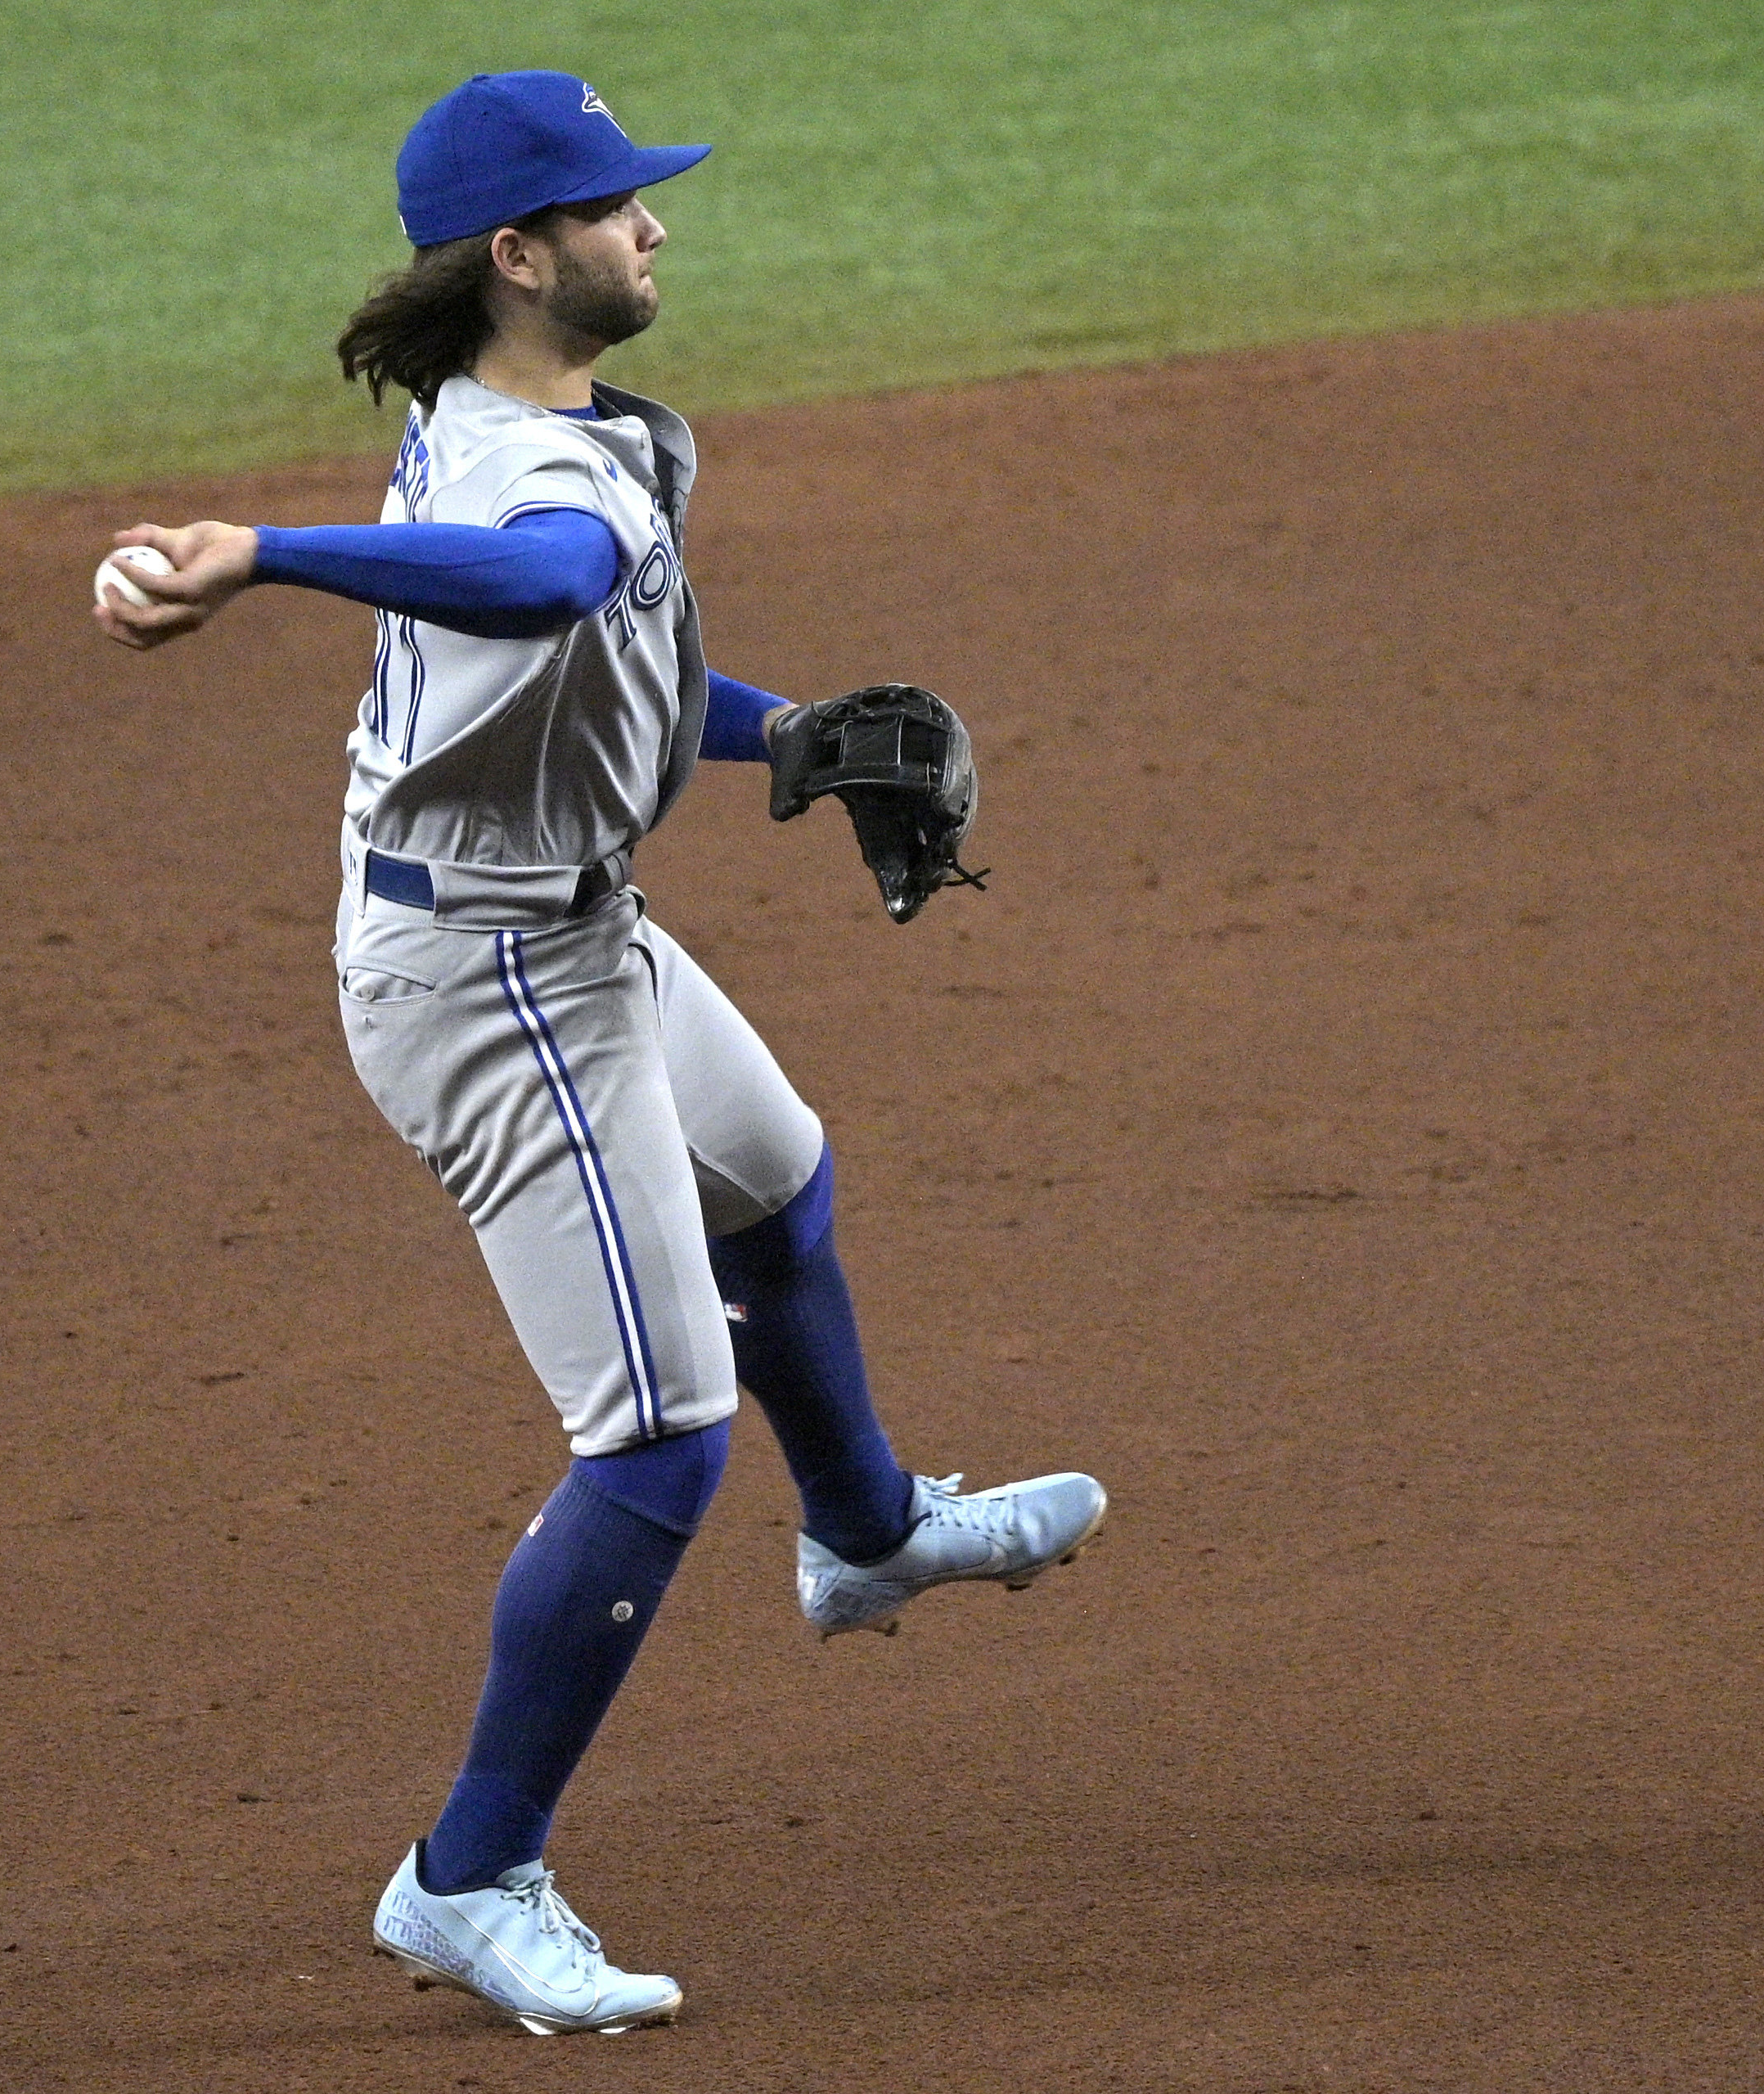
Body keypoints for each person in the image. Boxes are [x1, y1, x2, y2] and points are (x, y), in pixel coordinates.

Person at [91, 71, 1105, 2038]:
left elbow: (610, 644)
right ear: (518, 253)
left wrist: (790, 734)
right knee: (655, 1435)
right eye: (618, 205)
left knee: (779, 1175)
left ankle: (869, 1528)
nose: (656, 227)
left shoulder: (557, 435)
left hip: (574, 919)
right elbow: (551, 579)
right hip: (491, 982)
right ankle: (466, 1873)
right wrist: (264, 554)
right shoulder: (512, 483)